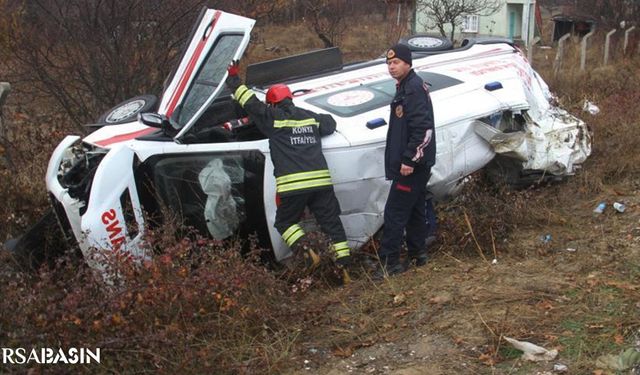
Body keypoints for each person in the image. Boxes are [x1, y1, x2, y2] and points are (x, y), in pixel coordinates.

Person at [224, 61, 351, 272]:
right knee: (332, 223)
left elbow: (250, 102)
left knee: (285, 223)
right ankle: (344, 266)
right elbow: (330, 124)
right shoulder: (310, 118)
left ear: (272, 104)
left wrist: (234, 80)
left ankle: (308, 251)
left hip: (293, 187)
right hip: (322, 184)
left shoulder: (272, 118)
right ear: (290, 99)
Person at [375, 43, 436, 279]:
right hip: (415, 163)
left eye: (396, 62)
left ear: (408, 63)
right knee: (414, 210)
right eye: (389, 63)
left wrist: (410, 159)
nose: (391, 67)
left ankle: (389, 263)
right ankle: (418, 253)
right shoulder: (405, 87)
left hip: (412, 166)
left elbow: (423, 129)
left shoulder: (413, 90)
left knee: (394, 212)